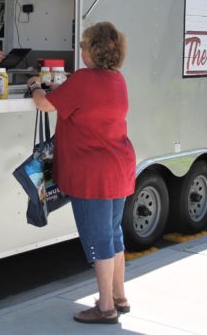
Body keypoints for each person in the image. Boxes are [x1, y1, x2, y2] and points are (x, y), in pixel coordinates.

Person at [27, 22, 136, 325]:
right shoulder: (118, 79)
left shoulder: (84, 80)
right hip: (119, 168)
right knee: (113, 235)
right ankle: (118, 296)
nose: (81, 50)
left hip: (92, 174)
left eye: (84, 45)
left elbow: (44, 104)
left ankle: (105, 308)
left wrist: (35, 83)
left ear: (92, 51)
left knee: (98, 240)